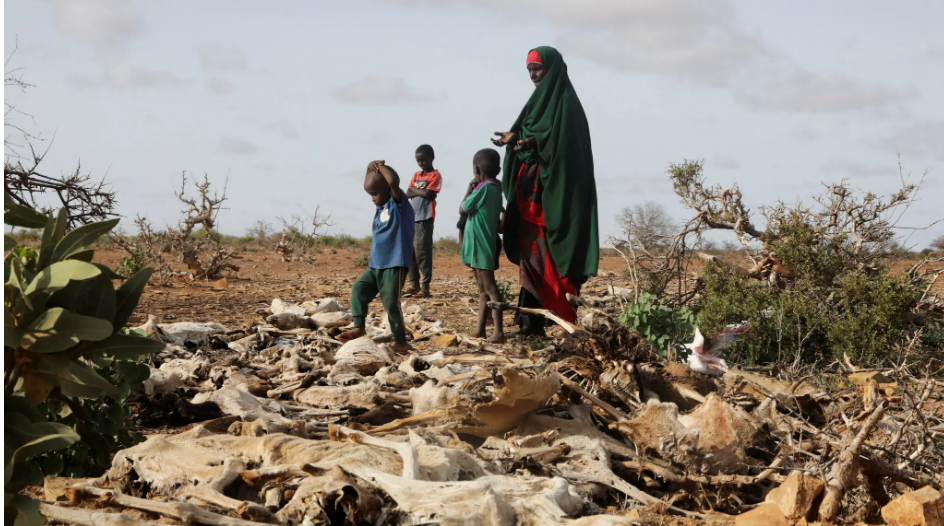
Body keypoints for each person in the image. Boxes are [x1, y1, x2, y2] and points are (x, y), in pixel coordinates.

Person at [491, 46, 598, 336]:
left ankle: (559, 320)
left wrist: (535, 145)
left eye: (537, 69)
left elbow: (567, 155)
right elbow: (529, 143)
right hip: (529, 200)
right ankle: (530, 322)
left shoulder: (568, 109)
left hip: (554, 201)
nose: (533, 75)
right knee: (531, 259)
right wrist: (517, 140)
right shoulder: (535, 106)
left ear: (552, 68)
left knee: (553, 258)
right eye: (529, 70)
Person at [338, 160, 415, 353]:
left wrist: (381, 168)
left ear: (387, 190)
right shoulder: (380, 207)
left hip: (395, 264)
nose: (372, 198)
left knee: (391, 303)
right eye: (370, 195)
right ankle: (358, 327)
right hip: (376, 265)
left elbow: (393, 182)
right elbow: (372, 182)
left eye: (375, 194)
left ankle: (400, 340)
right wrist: (370, 167)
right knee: (358, 289)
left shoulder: (399, 205)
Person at [460, 149, 505, 343]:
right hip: (484, 243)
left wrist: (469, 190)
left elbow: (463, 208)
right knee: (482, 288)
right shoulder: (495, 188)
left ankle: (499, 332)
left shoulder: (484, 188)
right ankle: (480, 329)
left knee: (490, 287)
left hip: (481, 245)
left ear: (476, 169)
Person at [403, 144, 442, 298]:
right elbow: (407, 192)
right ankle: (414, 285)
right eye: (418, 161)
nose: (421, 163)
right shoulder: (416, 175)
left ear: (431, 158)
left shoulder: (435, 175)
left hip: (424, 219)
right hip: (411, 218)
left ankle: (425, 288)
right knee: (410, 254)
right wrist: (420, 192)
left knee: (422, 254)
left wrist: (415, 191)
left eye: (423, 160)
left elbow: (430, 194)